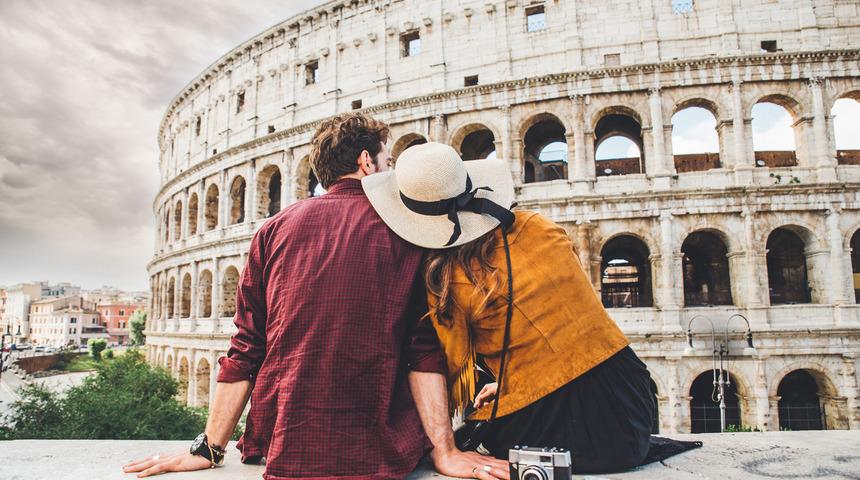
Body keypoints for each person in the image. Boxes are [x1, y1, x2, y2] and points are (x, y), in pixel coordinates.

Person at [123, 114, 509, 480]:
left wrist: (209, 447)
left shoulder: (272, 230)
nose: (390, 170)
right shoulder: (408, 231)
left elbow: (246, 347)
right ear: (367, 162)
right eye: (387, 161)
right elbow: (421, 351)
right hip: (378, 446)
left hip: (284, 443)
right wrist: (445, 450)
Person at [361, 142, 657, 473]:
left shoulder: (449, 277)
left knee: (475, 428)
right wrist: (517, 381)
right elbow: (560, 322)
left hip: (564, 431)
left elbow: (450, 366)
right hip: (630, 405)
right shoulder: (539, 226)